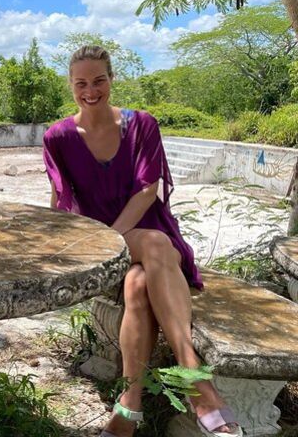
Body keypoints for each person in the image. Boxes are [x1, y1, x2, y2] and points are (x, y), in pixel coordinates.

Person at [43, 45, 242, 437]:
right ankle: (188, 385)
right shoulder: (58, 137)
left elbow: (148, 190)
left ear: (112, 79)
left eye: (99, 80)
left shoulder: (141, 124)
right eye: (81, 83)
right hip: (104, 243)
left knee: (145, 264)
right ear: (70, 85)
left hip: (149, 236)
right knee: (137, 272)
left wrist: (113, 239)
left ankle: (135, 406)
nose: (91, 90)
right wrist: (69, 248)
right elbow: (60, 199)